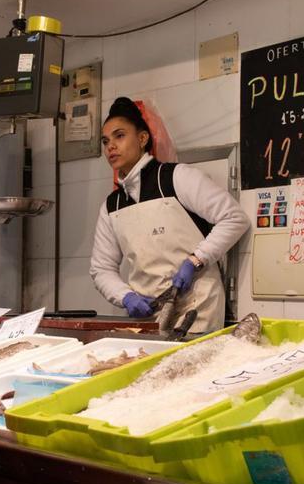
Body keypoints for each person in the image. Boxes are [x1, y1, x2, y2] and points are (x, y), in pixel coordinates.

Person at [90, 97, 249, 334]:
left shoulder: (175, 178)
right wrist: (126, 297)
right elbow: (101, 268)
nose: (110, 146)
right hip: (148, 317)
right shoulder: (111, 207)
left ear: (142, 139)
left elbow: (234, 218)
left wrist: (195, 260)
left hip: (197, 309)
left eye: (119, 136)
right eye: (105, 141)